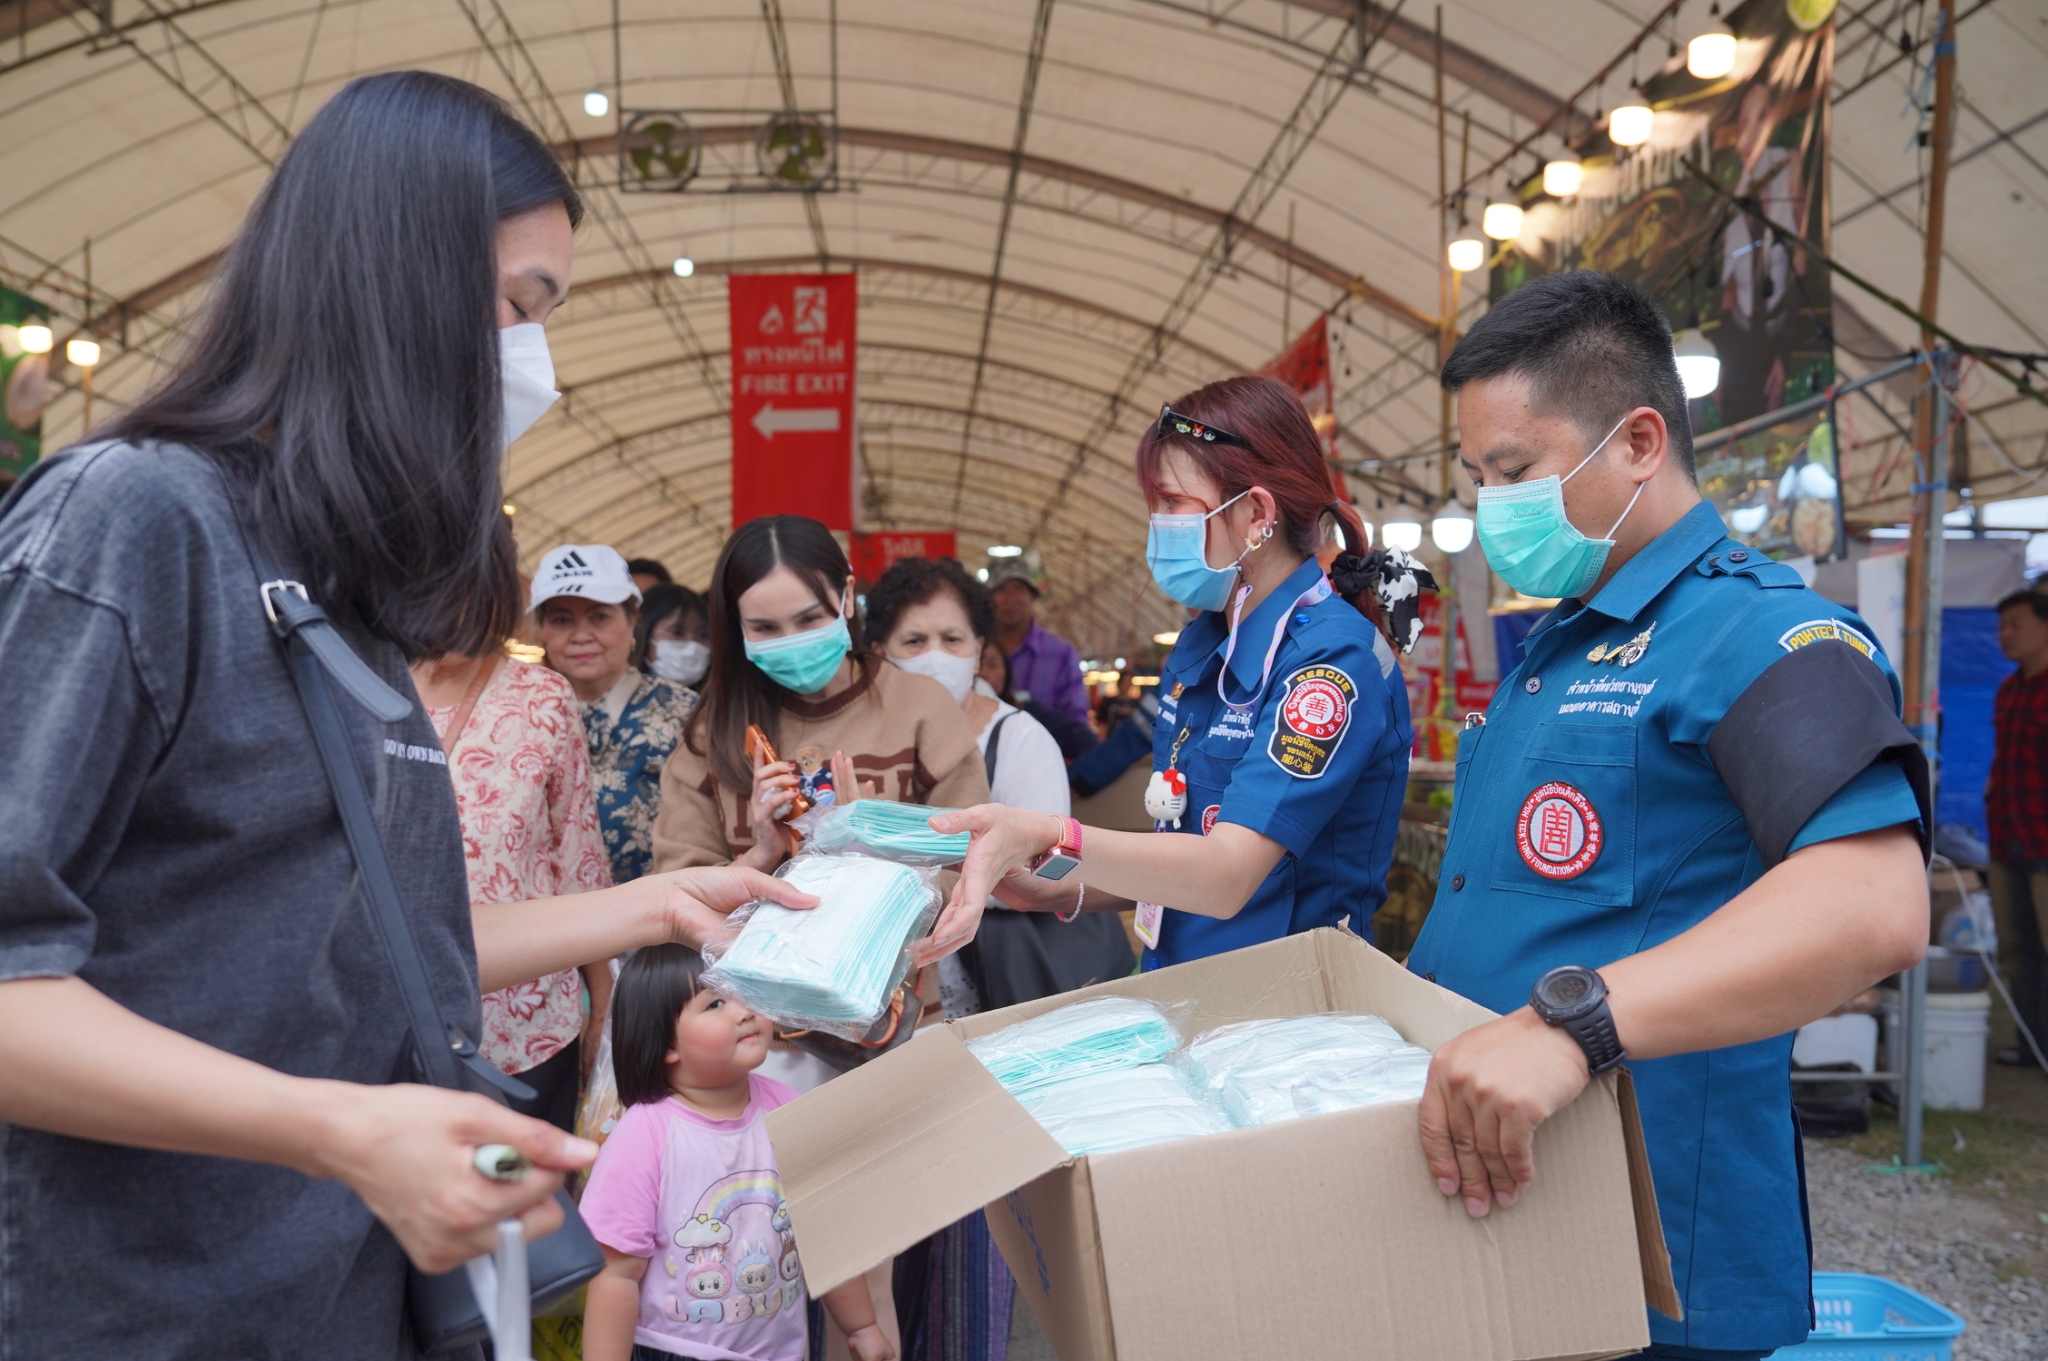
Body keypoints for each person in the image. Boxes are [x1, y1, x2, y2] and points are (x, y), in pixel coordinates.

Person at [0, 72, 816, 1353]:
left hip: (335, 1294)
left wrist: (662, 906)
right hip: (144, 1303)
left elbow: (370, 939)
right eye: (518, 306)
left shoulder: (337, 599)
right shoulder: (134, 523)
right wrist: (337, 1126)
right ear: (396, 278)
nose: (533, 363)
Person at [1401, 271, 1929, 1359]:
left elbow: (1872, 905)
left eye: (1515, 471)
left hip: (1648, 1236)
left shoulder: (1761, 636)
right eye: (1476, 477)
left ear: (1639, 441)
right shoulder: (1559, 644)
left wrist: (1573, 1024)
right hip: (1506, 1188)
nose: (1492, 506)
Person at [934, 375, 1424, 978]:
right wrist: (1057, 886)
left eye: (1172, 504)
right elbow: (1180, 850)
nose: (1157, 525)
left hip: (1286, 1005)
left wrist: (1049, 833)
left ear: (1255, 514)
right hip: (1187, 989)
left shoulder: (1329, 663)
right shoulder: (1206, 644)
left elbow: (1226, 874)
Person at [579, 944, 893, 1361]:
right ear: (665, 1043)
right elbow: (616, 1275)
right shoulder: (644, 1135)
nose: (744, 1011)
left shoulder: (787, 1109)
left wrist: (862, 1326)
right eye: (716, 1003)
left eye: (746, 992)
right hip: (676, 1351)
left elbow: (824, 1230)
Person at [866, 555, 1134, 1012]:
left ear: (977, 651)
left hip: (989, 970)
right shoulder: (866, 740)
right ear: (881, 652)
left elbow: (1047, 871)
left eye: (952, 640)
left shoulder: (1021, 740)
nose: (935, 657)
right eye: (914, 641)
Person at [410, 640, 613, 1130]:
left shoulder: (542, 696)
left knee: (532, 1176)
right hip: (392, 1021)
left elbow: (579, 856)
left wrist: (603, 1005)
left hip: (528, 1025)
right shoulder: (348, 683)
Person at [535, 543, 700, 887]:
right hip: (544, 917)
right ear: (542, 631)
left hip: (656, 912)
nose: (581, 636)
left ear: (632, 621)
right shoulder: (521, 719)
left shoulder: (684, 714)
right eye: (562, 620)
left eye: (599, 617)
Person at [1988, 585, 2048, 1068]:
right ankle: (2031, 1045)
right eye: (2001, 626)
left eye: (2016, 624)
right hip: (2009, 839)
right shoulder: (2009, 690)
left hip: (2044, 842)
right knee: (2016, 949)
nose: (2005, 635)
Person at [988, 561, 1090, 726]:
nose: (1010, 598)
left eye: (1019, 589)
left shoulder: (1062, 655)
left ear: (1033, 596)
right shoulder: (974, 650)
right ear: (989, 598)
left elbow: (1077, 724)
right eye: (1000, 590)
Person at [978, 636, 1098, 762]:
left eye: (992, 665)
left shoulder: (1025, 712)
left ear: (1006, 670)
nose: (982, 674)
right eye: (977, 664)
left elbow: (1082, 738)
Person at [638, 581, 713, 690]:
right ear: (644, 634)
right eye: (677, 632)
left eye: (702, 634)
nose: (692, 647)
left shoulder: (721, 697)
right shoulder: (622, 695)